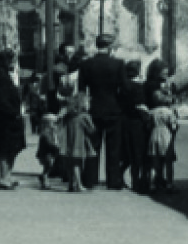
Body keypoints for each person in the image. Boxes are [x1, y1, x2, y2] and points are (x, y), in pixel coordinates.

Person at [76, 34, 129, 190]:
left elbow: (81, 89)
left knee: (93, 145)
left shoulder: (86, 64)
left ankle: (90, 179)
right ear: (110, 47)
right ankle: (113, 181)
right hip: (113, 108)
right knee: (114, 147)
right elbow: (125, 88)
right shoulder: (118, 64)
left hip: (94, 108)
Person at [0, 48, 26, 190]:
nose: (15, 64)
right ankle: (4, 178)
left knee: (11, 149)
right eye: (13, 60)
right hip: (5, 120)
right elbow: (2, 100)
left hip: (9, 118)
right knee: (5, 149)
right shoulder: (0, 77)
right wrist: (13, 113)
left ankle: (7, 175)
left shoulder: (5, 75)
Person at [145, 58, 178, 191]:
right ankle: (167, 182)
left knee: (154, 159)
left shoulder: (162, 84)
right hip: (165, 131)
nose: (166, 75)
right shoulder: (152, 85)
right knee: (167, 160)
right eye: (164, 73)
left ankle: (153, 183)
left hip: (154, 130)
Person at [119, 59, 150, 194]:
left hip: (125, 121)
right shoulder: (139, 87)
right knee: (138, 153)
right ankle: (137, 181)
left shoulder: (123, 86)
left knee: (127, 152)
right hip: (137, 122)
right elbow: (140, 106)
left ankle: (120, 176)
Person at [60, 92, 95, 192]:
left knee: (71, 164)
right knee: (78, 164)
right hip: (79, 143)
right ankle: (79, 184)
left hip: (68, 143)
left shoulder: (69, 116)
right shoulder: (84, 117)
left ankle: (71, 184)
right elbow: (91, 130)